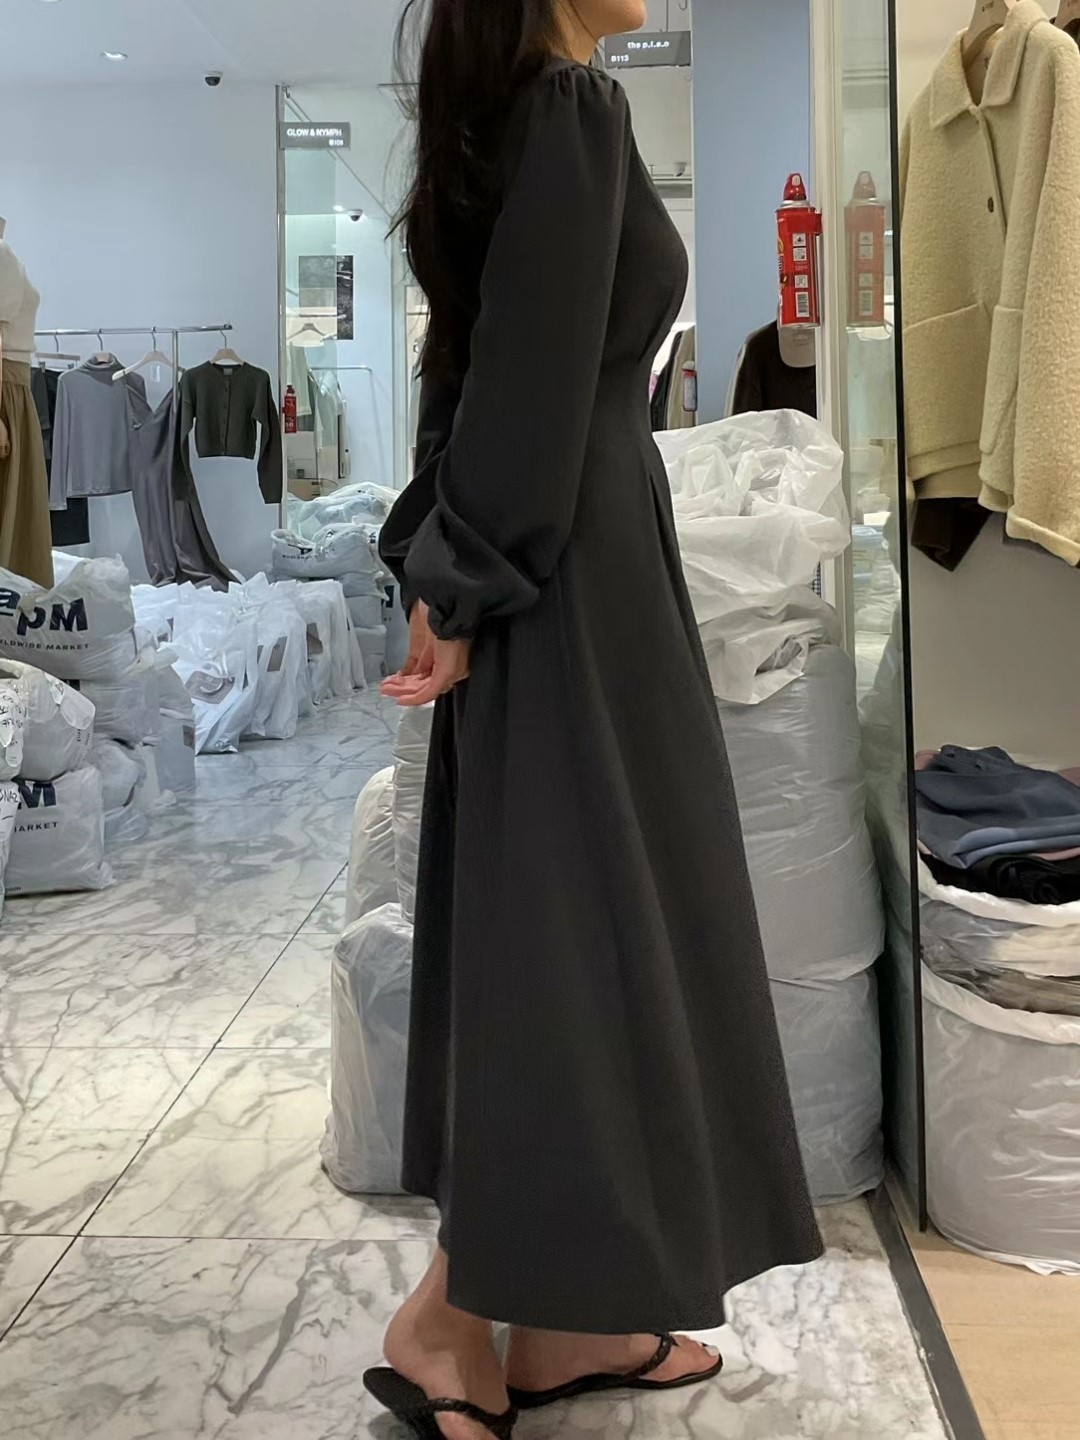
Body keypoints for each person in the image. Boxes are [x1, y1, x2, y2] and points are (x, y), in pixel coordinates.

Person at [367, 2, 824, 1435]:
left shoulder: (529, 111)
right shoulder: (570, 107)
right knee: (577, 938)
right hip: (575, 569)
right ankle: (450, 1321)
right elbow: (525, 381)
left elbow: (478, 365)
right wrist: (457, 570)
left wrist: (445, 561)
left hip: (566, 560)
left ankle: (562, 1328)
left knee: (571, 923)